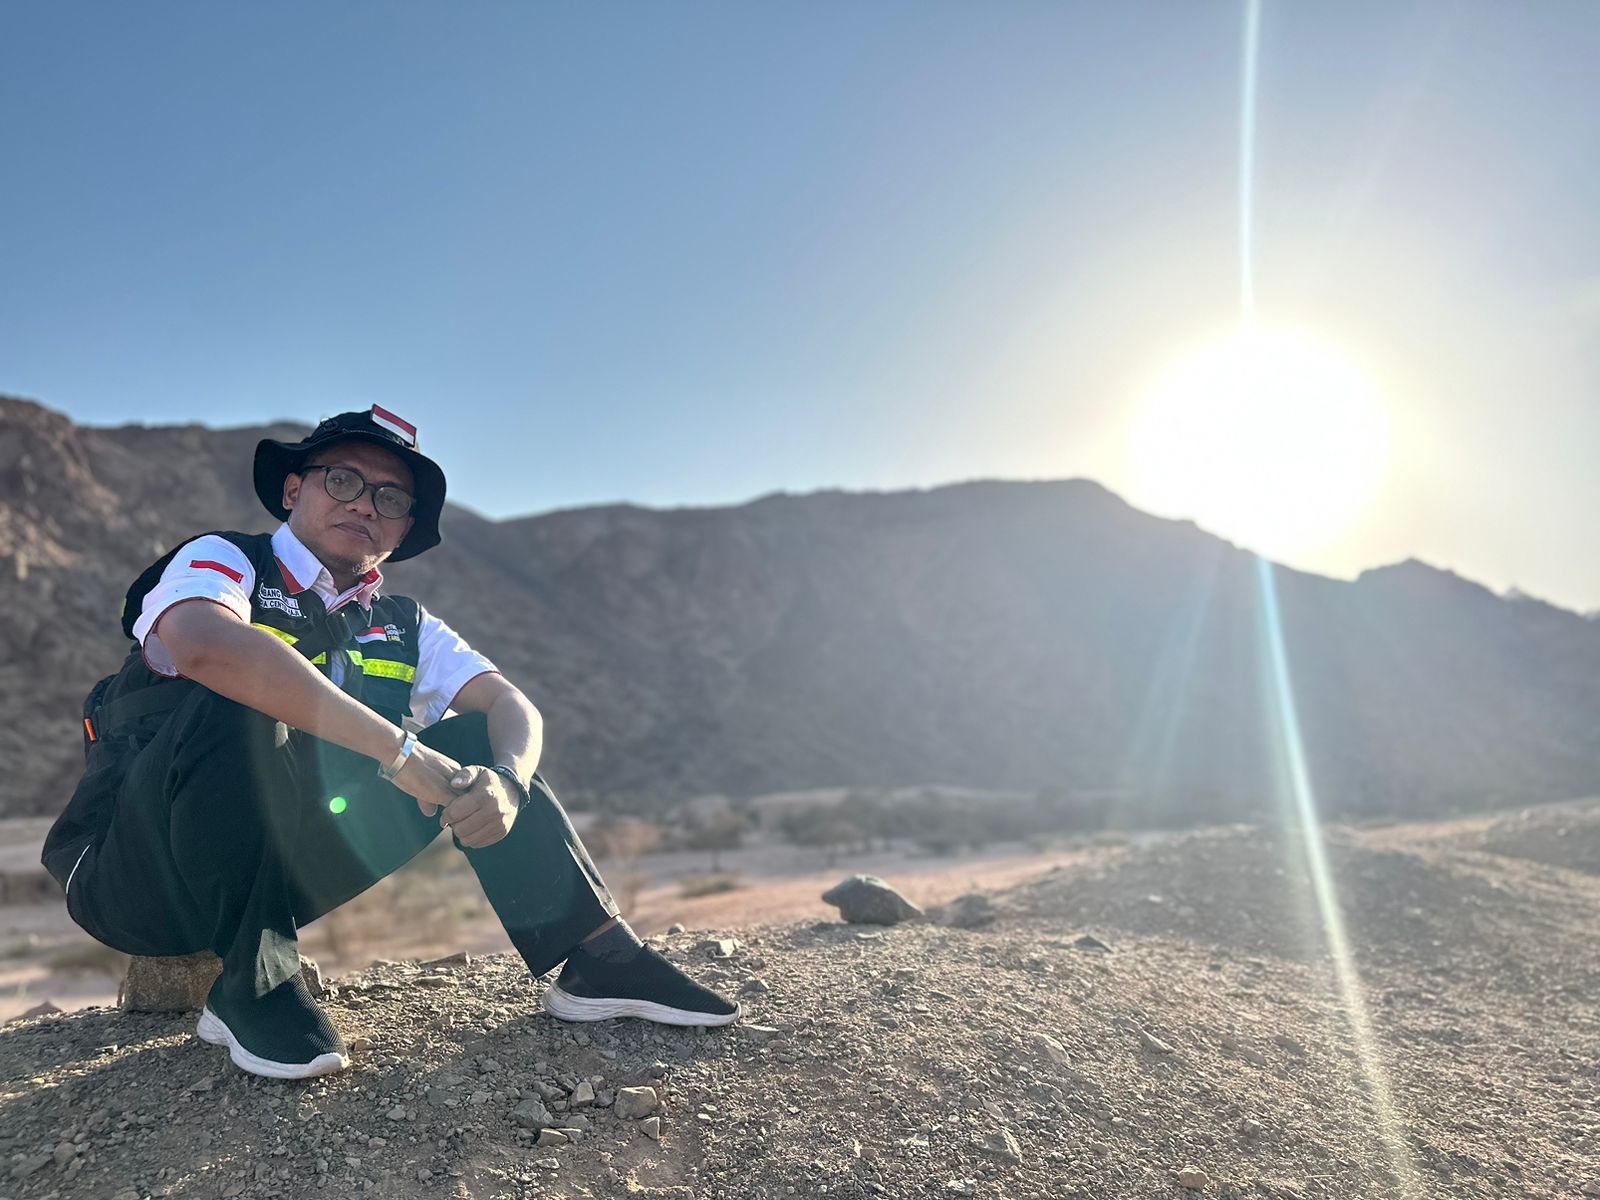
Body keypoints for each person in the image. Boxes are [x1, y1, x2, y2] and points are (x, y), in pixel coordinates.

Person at [41, 407, 739, 1079]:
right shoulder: (226, 561)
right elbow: (203, 645)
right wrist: (400, 751)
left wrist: (508, 781)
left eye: (391, 498)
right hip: (131, 874)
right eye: (342, 480)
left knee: (477, 746)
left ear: (402, 532)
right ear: (293, 489)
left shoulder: (405, 623)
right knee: (246, 689)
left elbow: (508, 704)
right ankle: (253, 984)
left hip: (274, 874)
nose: (365, 505)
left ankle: (598, 959)